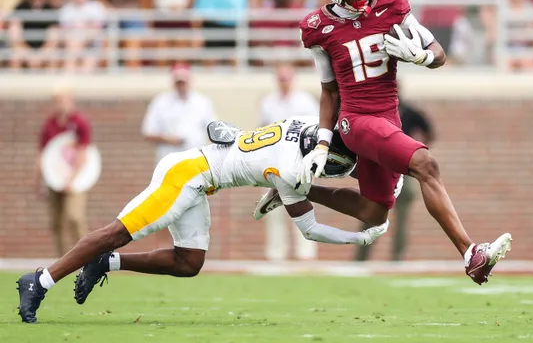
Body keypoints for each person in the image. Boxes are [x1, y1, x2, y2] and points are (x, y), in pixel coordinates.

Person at [271, 0, 511, 284]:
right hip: (355, 119)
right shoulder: (317, 26)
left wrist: (422, 57)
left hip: (388, 116)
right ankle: (471, 253)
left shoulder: (392, 3)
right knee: (425, 164)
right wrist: (324, 143)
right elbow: (329, 90)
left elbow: (437, 52)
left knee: (373, 211)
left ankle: (292, 189)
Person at [17, 117, 389, 324]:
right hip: (188, 175)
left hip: (202, 174)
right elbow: (309, 229)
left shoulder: (302, 127)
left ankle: (106, 263)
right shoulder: (293, 172)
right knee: (117, 232)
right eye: (334, 166)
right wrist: (360, 239)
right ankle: (40, 281)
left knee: (189, 262)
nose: (332, 172)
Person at [354, 95, 434, 261]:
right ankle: (361, 257)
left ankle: (397, 258)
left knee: (400, 221)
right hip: (381, 169)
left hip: (402, 170)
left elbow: (429, 131)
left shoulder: (408, 112)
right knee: (371, 215)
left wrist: (417, 151)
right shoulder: (377, 111)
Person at [258, 63, 319, 262]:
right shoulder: (268, 102)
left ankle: (306, 254)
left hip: (299, 163)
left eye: (287, 78)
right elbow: (262, 132)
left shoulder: (305, 101)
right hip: (274, 163)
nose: (284, 82)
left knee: (302, 207)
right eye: (281, 78)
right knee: (273, 207)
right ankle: (276, 255)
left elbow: (314, 131)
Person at [37, 84, 92, 257]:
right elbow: (43, 155)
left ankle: (86, 258)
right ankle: (61, 261)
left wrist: (70, 179)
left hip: (74, 181)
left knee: (75, 217)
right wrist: (39, 180)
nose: (62, 104)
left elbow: (83, 153)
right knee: (56, 222)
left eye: (65, 100)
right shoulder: (49, 124)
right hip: (54, 180)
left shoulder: (80, 122)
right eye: (58, 100)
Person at [142, 62, 217, 164]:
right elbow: (148, 132)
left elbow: (213, 131)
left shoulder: (203, 102)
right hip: (168, 163)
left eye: (183, 82)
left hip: (195, 163)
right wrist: (167, 139)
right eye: (178, 82)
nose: (181, 85)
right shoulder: (161, 102)